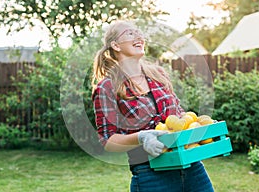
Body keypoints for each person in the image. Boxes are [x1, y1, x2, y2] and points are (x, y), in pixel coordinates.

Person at [92, 20, 214, 192]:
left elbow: (178, 115)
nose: (138, 36)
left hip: (191, 167)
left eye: (138, 32)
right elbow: (108, 141)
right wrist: (142, 137)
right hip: (151, 174)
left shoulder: (159, 74)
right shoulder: (107, 87)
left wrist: (198, 125)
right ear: (116, 45)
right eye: (130, 33)